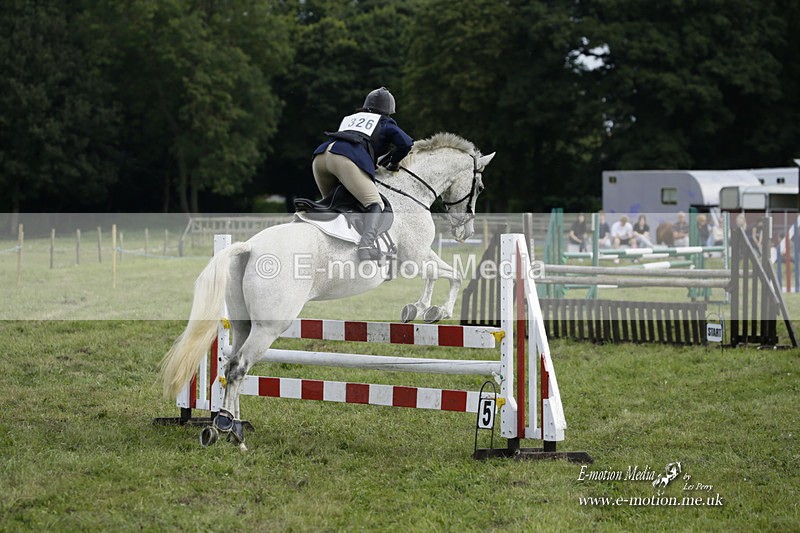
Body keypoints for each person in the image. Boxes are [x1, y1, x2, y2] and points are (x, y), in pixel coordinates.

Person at [312, 87, 414, 260]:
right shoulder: (384, 122)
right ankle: (365, 247)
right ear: (388, 111)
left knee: (332, 205)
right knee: (375, 203)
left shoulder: (349, 118)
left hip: (320, 157)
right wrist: (393, 162)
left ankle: (329, 247)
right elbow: (406, 143)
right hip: (344, 159)